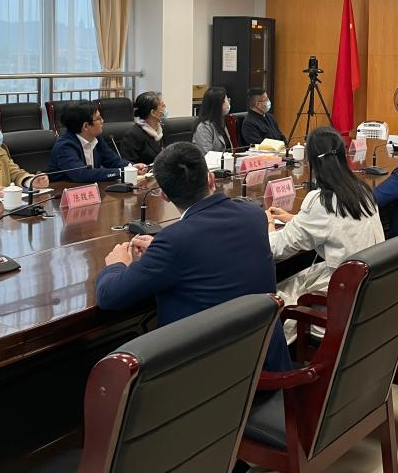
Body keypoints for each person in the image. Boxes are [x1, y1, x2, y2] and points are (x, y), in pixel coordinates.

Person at [96, 142, 290, 371]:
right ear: (211, 179)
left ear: (164, 196)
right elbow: (210, 250)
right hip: (265, 359)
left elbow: (109, 296)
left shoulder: (174, 242)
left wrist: (118, 264)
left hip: (206, 376)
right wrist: (161, 250)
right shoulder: (254, 216)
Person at [265, 127, 384, 340]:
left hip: (339, 302)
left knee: (271, 302)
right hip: (367, 293)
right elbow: (337, 225)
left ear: (312, 163)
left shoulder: (322, 201)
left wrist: (269, 223)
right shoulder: (361, 190)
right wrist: (295, 219)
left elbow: (275, 249)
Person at [48, 101, 146, 183]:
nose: (103, 121)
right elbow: (82, 174)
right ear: (86, 126)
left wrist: (131, 167)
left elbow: (113, 161)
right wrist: (122, 172)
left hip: (92, 190)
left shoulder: (96, 138)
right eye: (99, 118)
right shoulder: (65, 146)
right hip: (63, 194)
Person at [119, 91, 166, 165]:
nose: (165, 108)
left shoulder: (162, 129)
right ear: (153, 113)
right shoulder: (133, 135)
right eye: (162, 106)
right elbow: (129, 165)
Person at [193, 86, 232, 155]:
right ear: (217, 105)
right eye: (225, 101)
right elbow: (207, 155)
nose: (228, 104)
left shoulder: (223, 121)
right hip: (213, 161)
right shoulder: (203, 127)